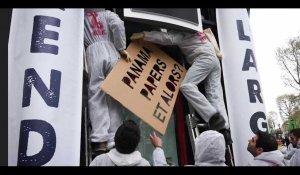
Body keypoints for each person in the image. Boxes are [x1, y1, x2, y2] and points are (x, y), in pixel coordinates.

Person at [130, 29, 232, 145]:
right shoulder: (195, 28)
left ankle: (213, 117)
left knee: (187, 86)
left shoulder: (182, 32)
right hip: (214, 60)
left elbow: (168, 38)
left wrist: (144, 34)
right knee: (215, 95)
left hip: (204, 58)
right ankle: (225, 131)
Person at [84, 8, 132, 158]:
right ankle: (114, 139)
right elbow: (118, 24)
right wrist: (121, 47)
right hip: (112, 51)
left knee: (96, 95)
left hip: (93, 52)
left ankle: (99, 140)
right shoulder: (108, 14)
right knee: (114, 96)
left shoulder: (81, 18)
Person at [89, 120, 168, 166]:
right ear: (137, 145)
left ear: (114, 139)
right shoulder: (144, 164)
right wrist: (158, 148)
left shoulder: (100, 161)